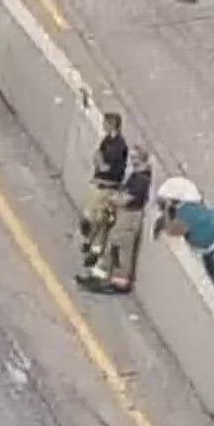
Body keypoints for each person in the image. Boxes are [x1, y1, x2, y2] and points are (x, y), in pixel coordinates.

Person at [79, 145, 151, 294]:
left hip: (130, 217)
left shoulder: (142, 180)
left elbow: (127, 199)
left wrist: (112, 199)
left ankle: (120, 282)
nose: (132, 160)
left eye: (134, 157)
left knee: (121, 249)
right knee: (113, 246)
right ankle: (100, 276)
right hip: (124, 215)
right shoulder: (136, 175)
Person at [159, 177, 214, 308]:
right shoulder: (190, 205)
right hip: (212, 235)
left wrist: (166, 213)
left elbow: (174, 230)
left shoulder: (187, 211)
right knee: (211, 271)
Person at [77, 112, 130, 281]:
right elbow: (97, 157)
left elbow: (106, 167)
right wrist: (99, 162)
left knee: (100, 219)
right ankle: (90, 245)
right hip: (98, 184)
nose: (103, 126)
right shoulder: (107, 140)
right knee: (90, 217)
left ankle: (95, 251)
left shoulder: (119, 146)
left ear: (113, 124)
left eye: (106, 123)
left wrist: (100, 162)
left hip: (107, 188)